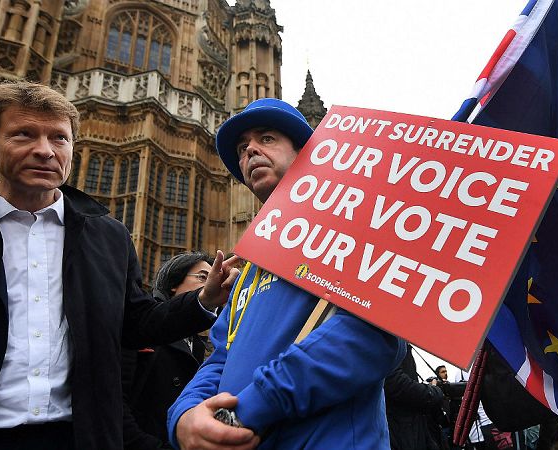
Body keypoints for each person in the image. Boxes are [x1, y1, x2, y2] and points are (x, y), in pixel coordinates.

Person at [0, 81, 236, 450]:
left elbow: (135, 323)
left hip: (73, 437)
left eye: (59, 138)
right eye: (24, 135)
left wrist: (204, 299)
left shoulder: (108, 236)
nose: (44, 151)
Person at [167, 98, 405, 449]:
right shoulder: (250, 265)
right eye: (242, 146)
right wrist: (185, 417)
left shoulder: (356, 226)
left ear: (308, 153)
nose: (249, 150)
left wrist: (249, 409)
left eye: (266, 138)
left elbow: (373, 335)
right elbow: (221, 355)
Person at [122, 252, 215, 449]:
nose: (211, 283)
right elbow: (115, 403)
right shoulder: (137, 325)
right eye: (202, 277)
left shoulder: (202, 343)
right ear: (174, 282)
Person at [385, 344, 448, 450]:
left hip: (412, 426)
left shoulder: (400, 342)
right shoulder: (390, 336)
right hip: (402, 429)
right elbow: (394, 382)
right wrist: (434, 391)